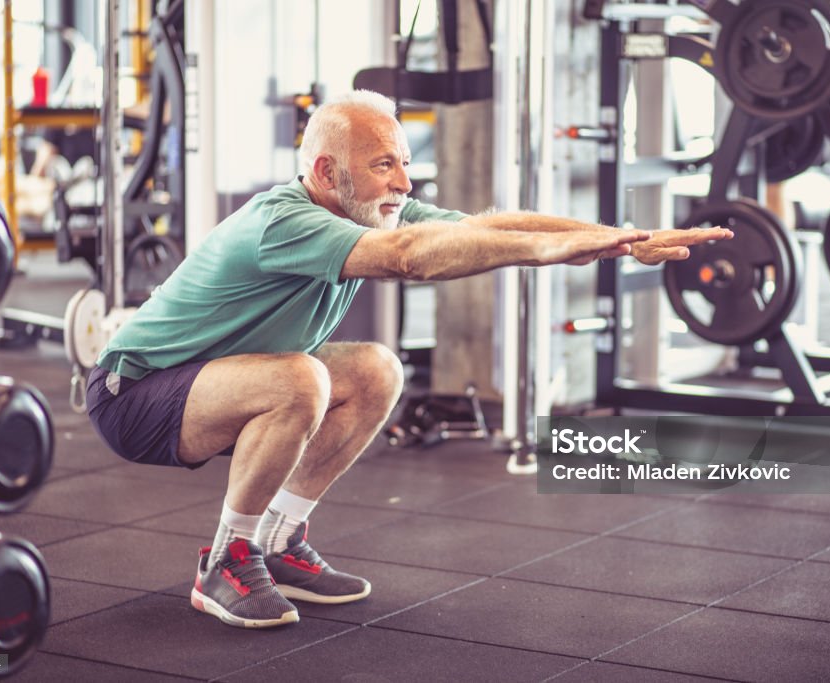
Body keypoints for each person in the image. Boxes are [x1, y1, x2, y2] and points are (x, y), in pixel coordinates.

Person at [86, 90, 732, 629]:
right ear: (325, 175)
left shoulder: (373, 207)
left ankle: (276, 539)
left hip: (217, 382)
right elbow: (410, 257)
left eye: (402, 162)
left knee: (376, 369)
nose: (405, 181)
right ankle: (226, 560)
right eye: (383, 165)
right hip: (135, 393)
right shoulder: (283, 221)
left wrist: (620, 240)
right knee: (301, 378)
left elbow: (485, 230)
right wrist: (549, 253)